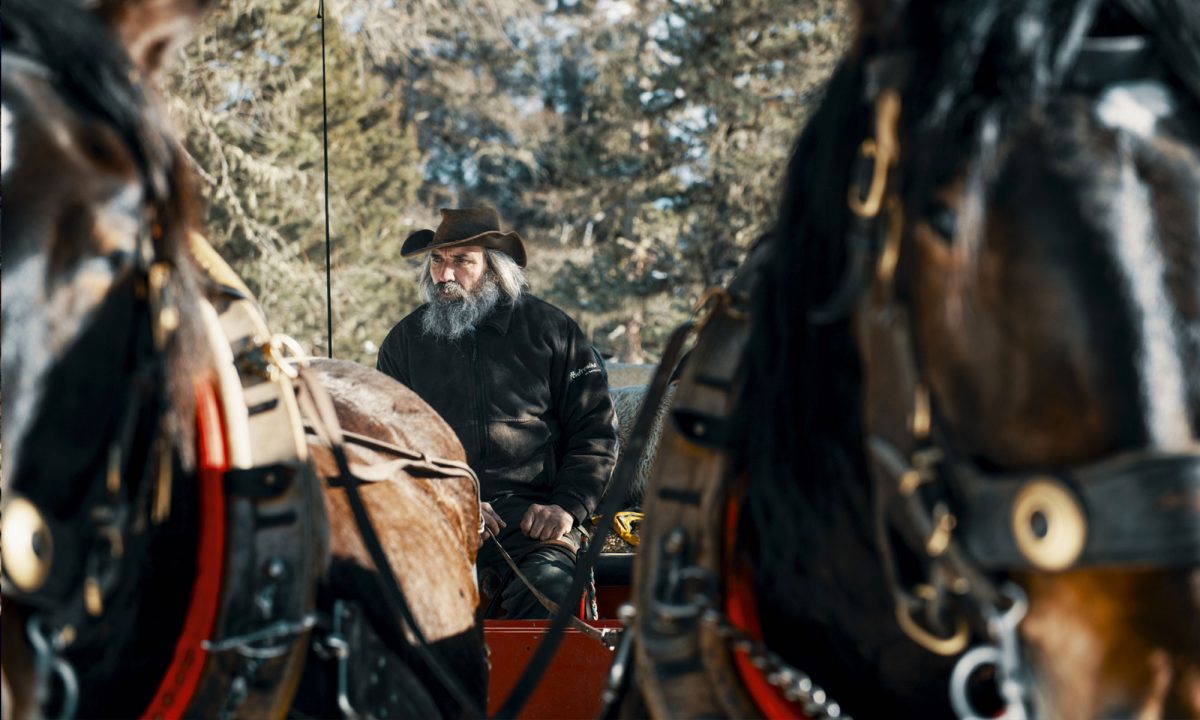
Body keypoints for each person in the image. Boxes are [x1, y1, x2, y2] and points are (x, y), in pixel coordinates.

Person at [377, 207, 618, 619]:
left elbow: (594, 433)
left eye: (461, 260)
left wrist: (566, 507)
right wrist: (450, 496)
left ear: (494, 266)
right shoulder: (404, 343)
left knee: (551, 589)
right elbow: (387, 447)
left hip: (532, 524)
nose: (445, 275)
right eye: (437, 260)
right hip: (439, 521)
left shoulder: (553, 331)